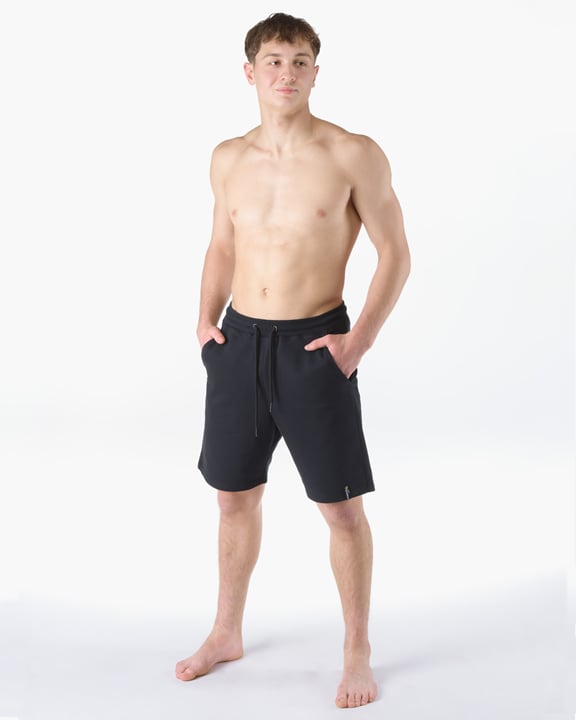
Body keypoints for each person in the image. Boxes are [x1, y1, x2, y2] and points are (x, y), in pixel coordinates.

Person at [175, 12, 410, 709]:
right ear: (250, 72)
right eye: (274, 61)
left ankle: (356, 649)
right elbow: (222, 245)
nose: (287, 73)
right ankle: (226, 632)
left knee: (340, 510)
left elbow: (396, 254)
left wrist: (357, 342)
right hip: (238, 345)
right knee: (233, 498)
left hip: (316, 347)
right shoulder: (227, 157)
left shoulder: (352, 153)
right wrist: (205, 323)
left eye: (300, 61)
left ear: (316, 72)